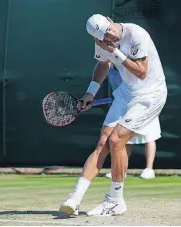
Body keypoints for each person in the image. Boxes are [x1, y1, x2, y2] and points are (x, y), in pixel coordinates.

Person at [59, 14, 167, 216]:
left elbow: (141, 72)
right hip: (127, 93)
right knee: (103, 143)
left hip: (150, 94)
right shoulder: (102, 41)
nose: (110, 37)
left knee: (117, 140)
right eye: (104, 37)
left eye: (110, 32)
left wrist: (115, 52)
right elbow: (103, 64)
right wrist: (90, 93)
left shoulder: (137, 34)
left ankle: (115, 201)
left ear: (110, 19)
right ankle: (75, 198)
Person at [105, 65, 160, 179]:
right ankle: (121, 170)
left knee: (149, 137)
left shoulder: (133, 67)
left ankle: (149, 169)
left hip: (146, 104)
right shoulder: (110, 71)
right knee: (125, 140)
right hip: (125, 107)